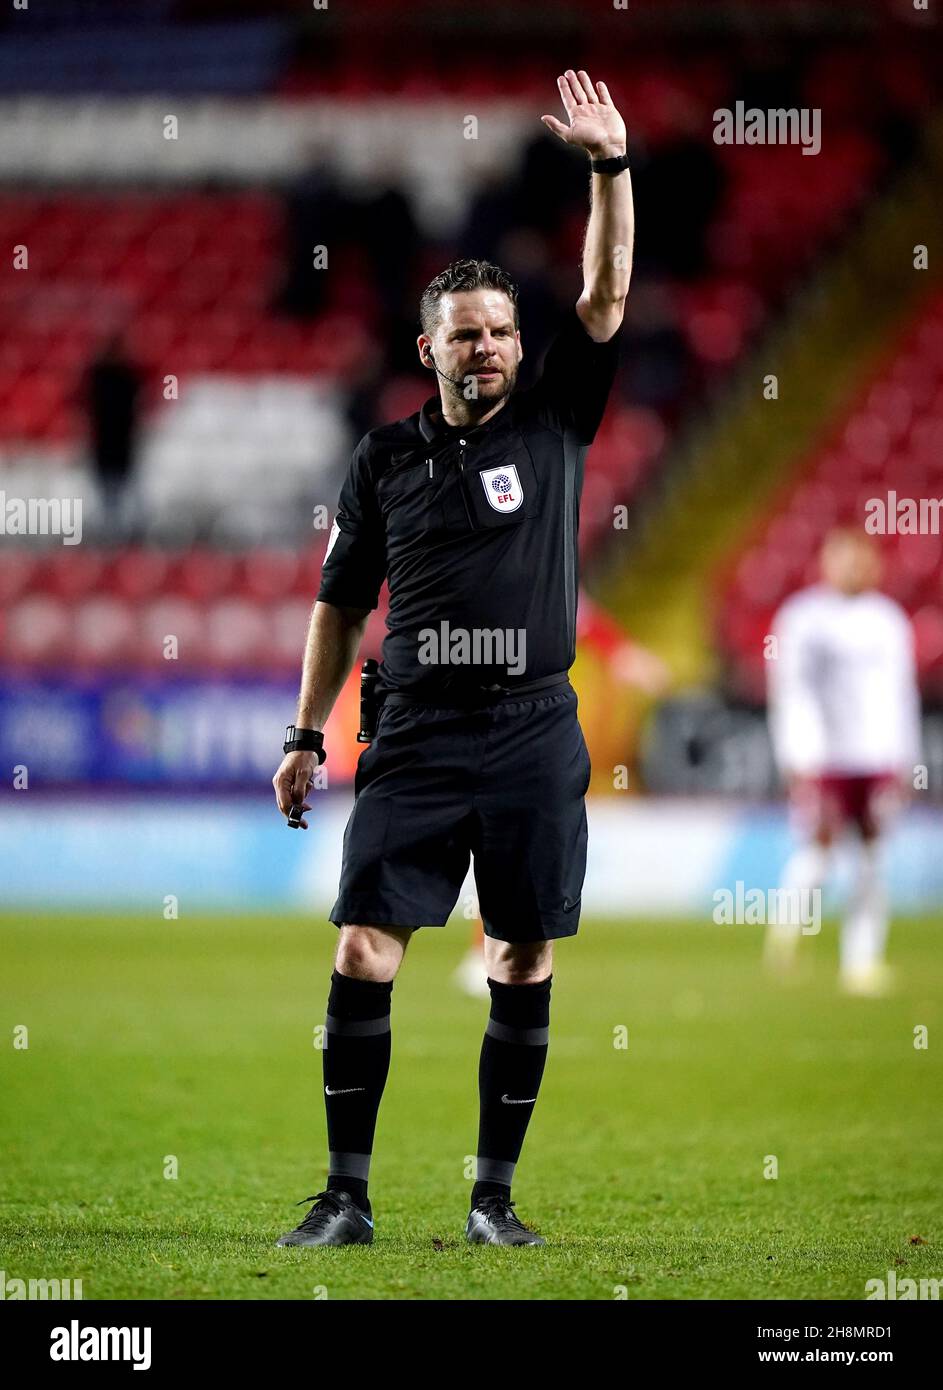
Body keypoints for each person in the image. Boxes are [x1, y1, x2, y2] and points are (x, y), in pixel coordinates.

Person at [271, 70, 632, 1248]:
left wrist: (608, 169)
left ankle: (491, 1199)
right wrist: (301, 730)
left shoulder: (553, 419)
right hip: (415, 729)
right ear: (427, 348)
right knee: (362, 945)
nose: (485, 347)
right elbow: (338, 601)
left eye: (500, 332)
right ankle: (346, 1197)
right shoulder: (381, 460)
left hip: (533, 726)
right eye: (464, 334)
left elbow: (606, 290)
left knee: (521, 954)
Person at [454, 590, 671, 999]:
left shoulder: (542, 580)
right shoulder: (510, 580)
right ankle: (484, 953)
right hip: (498, 729)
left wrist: (624, 655)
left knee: (516, 847)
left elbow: (584, 619)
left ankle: (495, 951)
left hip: (527, 730)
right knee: (502, 844)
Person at [765, 528, 921, 996]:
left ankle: (862, 961)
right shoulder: (803, 618)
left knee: (872, 858)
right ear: (825, 562)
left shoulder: (889, 621)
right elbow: (788, 691)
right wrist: (794, 753)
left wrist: (907, 757)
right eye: (842, 559)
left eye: (860, 559)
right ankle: (787, 932)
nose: (851, 568)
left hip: (876, 756)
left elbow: (902, 694)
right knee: (819, 850)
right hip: (824, 757)